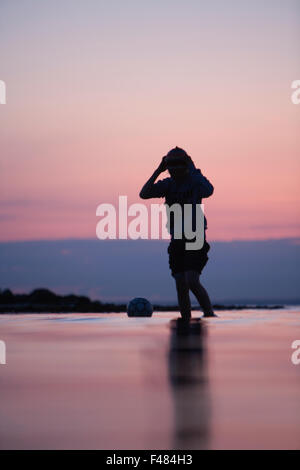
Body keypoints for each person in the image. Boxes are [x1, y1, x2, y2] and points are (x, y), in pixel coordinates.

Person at [139, 146, 217, 320]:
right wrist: (158, 170)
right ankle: (185, 320)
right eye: (171, 164)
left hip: (195, 236)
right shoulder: (167, 184)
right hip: (177, 238)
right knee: (180, 282)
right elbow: (144, 194)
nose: (174, 168)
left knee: (192, 280)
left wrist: (193, 167)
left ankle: (209, 314)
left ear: (185, 164)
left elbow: (209, 190)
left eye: (178, 164)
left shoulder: (195, 181)